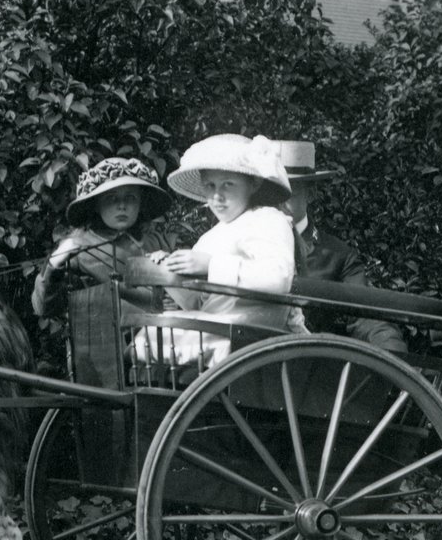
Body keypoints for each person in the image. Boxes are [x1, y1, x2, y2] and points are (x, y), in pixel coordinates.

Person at [134, 133, 296, 371]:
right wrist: (170, 271)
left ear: (254, 184)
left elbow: (278, 278)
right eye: (210, 185)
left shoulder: (269, 220)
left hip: (250, 336)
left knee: (152, 336)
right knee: (151, 332)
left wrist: (210, 266)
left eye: (228, 185)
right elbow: (199, 301)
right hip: (216, 327)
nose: (217, 196)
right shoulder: (210, 237)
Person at [277, 139, 407, 354]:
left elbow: (367, 315)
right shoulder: (244, 241)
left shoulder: (337, 255)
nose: (277, 203)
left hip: (304, 369)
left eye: (287, 193)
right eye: (270, 193)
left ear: (311, 194)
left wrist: (394, 355)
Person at [31, 157, 176, 318]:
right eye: (111, 198)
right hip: (106, 338)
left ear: (141, 204)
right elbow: (43, 308)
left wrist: (171, 269)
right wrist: (55, 262)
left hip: (166, 334)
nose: (122, 205)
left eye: (130, 198)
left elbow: (192, 294)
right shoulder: (80, 248)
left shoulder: (158, 242)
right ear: (96, 205)